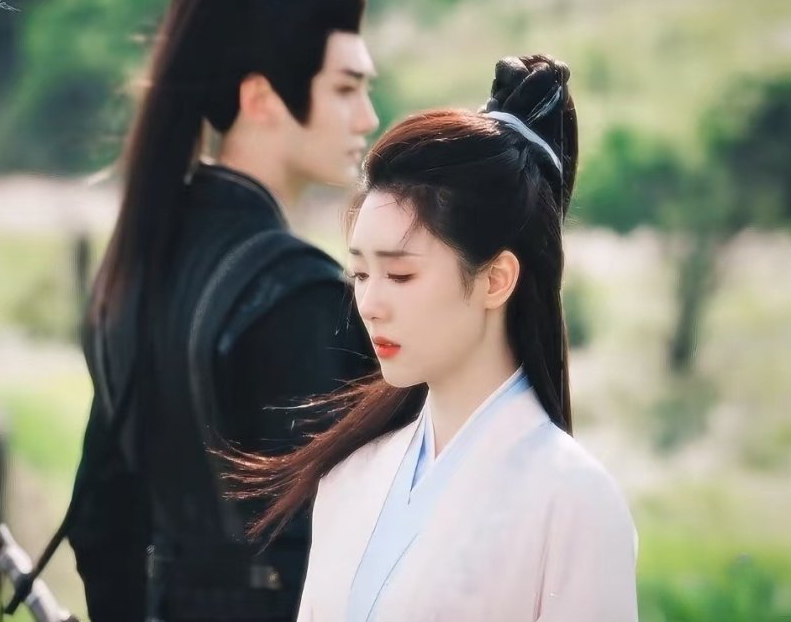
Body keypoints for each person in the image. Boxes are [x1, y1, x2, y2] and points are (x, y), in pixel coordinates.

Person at [230, 55, 639, 621]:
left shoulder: (572, 499)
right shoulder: (350, 474)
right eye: (361, 273)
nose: (368, 304)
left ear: (495, 279)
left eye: (400, 275)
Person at [65, 0, 379, 620]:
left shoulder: (137, 265)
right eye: (346, 88)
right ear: (260, 98)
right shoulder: (297, 295)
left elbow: (99, 525)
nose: (367, 118)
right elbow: (334, 552)